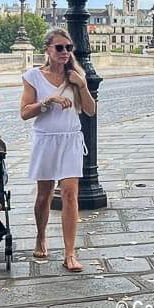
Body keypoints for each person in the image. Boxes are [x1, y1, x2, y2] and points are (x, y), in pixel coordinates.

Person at [20, 28, 96, 273]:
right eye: (59, 48)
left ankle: (70, 253)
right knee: (44, 194)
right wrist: (47, 101)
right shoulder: (33, 76)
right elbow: (24, 113)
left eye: (69, 48)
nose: (65, 52)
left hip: (70, 139)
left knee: (70, 194)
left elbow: (90, 111)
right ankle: (41, 236)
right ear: (48, 50)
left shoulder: (76, 75)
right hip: (46, 139)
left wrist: (82, 85)